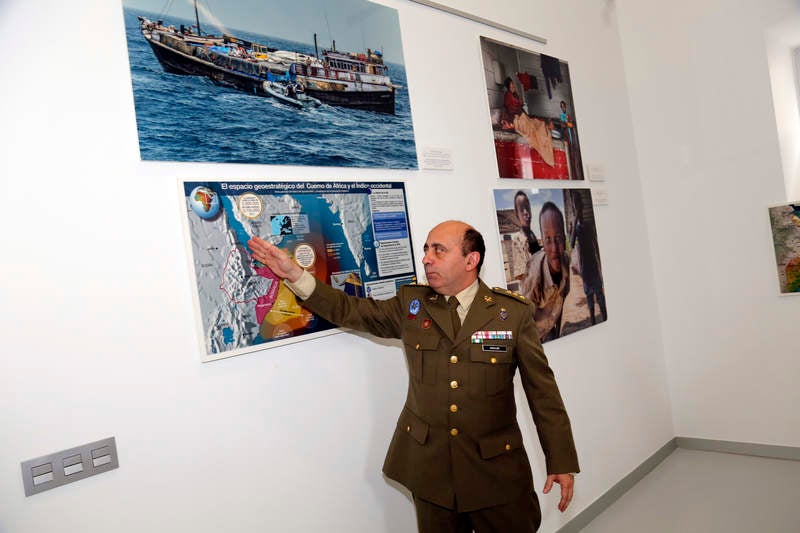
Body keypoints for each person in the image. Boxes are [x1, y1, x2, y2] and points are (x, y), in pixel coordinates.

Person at [248, 221, 578, 533]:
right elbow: (350, 310)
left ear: (470, 260)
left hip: (495, 470)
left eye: (439, 250)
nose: (426, 258)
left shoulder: (512, 314)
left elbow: (543, 393)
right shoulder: (412, 304)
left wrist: (560, 459)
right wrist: (295, 275)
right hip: (432, 471)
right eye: (426, 249)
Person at [521, 203, 570, 342]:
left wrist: (557, 333)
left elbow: (563, 298)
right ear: (542, 240)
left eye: (559, 238)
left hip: (551, 328)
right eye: (548, 239)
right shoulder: (535, 276)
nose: (554, 247)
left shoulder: (565, 261)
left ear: (565, 239)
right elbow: (524, 319)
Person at [568, 192, 607, 325]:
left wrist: (601, 268)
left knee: (601, 300)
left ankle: (605, 320)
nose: (577, 206)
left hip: (594, 270)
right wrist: (575, 219)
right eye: (575, 203)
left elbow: (596, 246)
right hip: (585, 273)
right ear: (573, 207)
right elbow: (571, 244)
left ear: (582, 205)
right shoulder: (576, 229)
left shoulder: (589, 227)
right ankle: (593, 325)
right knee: (590, 304)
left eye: (579, 203)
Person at [509, 191, 542, 280]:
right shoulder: (517, 240)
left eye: (527, 208)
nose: (526, 212)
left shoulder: (532, 235)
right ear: (517, 215)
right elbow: (521, 274)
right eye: (522, 210)